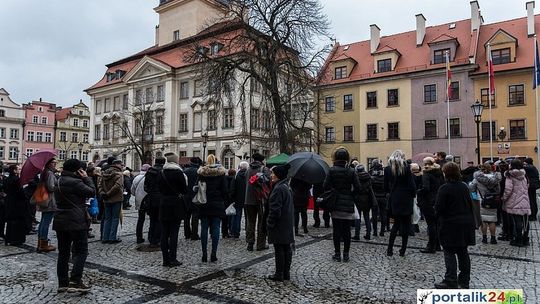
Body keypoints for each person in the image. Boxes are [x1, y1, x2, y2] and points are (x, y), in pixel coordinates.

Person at [53, 159, 96, 293]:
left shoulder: (58, 180)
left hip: (60, 220)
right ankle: (75, 281)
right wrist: (87, 178)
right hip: (76, 221)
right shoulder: (76, 182)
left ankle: (63, 282)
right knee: (81, 251)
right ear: (77, 170)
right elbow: (92, 192)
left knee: (63, 253)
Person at [434, 162, 476, 289]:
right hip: (465, 223)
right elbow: (470, 204)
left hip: (450, 224)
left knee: (449, 252)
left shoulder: (444, 188)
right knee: (463, 252)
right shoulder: (464, 186)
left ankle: (450, 279)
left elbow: (439, 208)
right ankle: (464, 280)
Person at [323, 147, 361, 262]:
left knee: (336, 230)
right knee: (347, 230)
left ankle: (337, 254)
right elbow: (358, 188)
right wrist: (351, 195)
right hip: (348, 203)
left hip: (335, 203)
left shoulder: (332, 170)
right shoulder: (351, 171)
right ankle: (346, 254)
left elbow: (325, 186)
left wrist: (333, 191)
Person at [157, 152, 188, 267]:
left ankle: (165, 259)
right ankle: (173, 258)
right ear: (175, 161)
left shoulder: (161, 172)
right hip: (176, 204)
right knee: (174, 233)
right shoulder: (178, 173)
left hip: (164, 204)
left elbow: (159, 188)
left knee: (164, 233)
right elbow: (185, 190)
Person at [385, 150, 416, 257]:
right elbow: (411, 185)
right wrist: (413, 195)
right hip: (406, 198)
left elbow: (386, 186)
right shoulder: (406, 168)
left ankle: (389, 249)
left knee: (396, 224)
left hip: (395, 197)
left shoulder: (388, 169)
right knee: (406, 225)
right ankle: (402, 250)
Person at [197, 154, 228, 262]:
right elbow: (225, 190)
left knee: (204, 228)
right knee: (216, 229)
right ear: (215, 161)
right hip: (217, 204)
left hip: (204, 203)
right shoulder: (221, 174)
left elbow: (198, 188)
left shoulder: (202, 173)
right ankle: (213, 254)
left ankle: (204, 254)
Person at [266, 164, 294, 282]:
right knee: (286, 248)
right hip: (286, 222)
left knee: (279, 249)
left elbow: (275, 209)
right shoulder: (286, 186)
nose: (271, 175)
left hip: (280, 223)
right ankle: (285, 273)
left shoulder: (278, 188)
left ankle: (279, 273)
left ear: (278, 175)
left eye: (273, 173)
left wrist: (270, 222)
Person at [469, 162, 502, 244]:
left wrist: (475, 196)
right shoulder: (495, 178)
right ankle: (493, 238)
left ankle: (484, 238)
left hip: (482, 200)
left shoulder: (477, 178)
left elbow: (471, 188)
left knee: (483, 220)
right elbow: (498, 190)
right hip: (493, 201)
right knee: (492, 220)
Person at [502, 159, 531, 247]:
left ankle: (518, 240)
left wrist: (504, 198)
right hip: (524, 199)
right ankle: (525, 239)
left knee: (517, 221)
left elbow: (508, 189)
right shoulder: (524, 174)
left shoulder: (510, 175)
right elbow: (527, 186)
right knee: (525, 221)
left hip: (514, 200)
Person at [244, 152, 271, 251]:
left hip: (248, 199)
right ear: (261, 160)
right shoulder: (264, 169)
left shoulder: (248, 169)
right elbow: (269, 182)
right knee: (261, 222)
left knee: (250, 222)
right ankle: (260, 244)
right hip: (260, 199)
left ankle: (250, 243)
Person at [417, 157, 444, 253]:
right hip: (438, 200)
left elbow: (425, 188)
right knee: (436, 224)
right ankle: (437, 245)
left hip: (428, 201)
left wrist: (418, 192)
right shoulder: (439, 173)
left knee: (431, 224)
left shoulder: (426, 173)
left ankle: (431, 246)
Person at [4, 165, 31, 245]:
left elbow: (5, 190)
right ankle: (16, 239)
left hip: (9, 201)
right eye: (18, 169)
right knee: (18, 222)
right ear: (14, 170)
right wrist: (25, 195)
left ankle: (8, 238)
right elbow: (20, 192)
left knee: (10, 221)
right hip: (18, 203)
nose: (19, 170)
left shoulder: (7, 179)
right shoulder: (16, 180)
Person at [99, 159, 124, 243]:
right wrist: (109, 193)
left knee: (107, 218)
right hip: (116, 199)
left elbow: (99, 185)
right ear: (117, 165)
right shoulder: (119, 174)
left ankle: (105, 237)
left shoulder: (104, 173)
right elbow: (117, 186)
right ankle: (112, 237)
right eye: (121, 165)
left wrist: (103, 193)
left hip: (106, 199)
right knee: (115, 218)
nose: (122, 166)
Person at [143, 157, 166, 250]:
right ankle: (157, 239)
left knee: (152, 220)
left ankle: (151, 238)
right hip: (160, 199)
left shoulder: (149, 172)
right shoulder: (163, 172)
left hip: (151, 199)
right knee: (159, 220)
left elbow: (146, 187)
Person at [36, 158, 58, 252]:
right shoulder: (49, 173)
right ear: (49, 164)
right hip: (49, 201)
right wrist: (58, 186)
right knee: (46, 222)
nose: (55, 164)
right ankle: (44, 244)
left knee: (43, 221)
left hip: (44, 200)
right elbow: (50, 187)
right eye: (53, 162)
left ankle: (40, 242)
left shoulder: (44, 172)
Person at [352, 164, 376, 240]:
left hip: (358, 199)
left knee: (357, 218)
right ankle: (368, 234)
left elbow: (354, 189)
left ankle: (357, 235)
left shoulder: (355, 177)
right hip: (367, 199)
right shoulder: (368, 177)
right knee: (367, 217)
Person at [183, 157, 202, 240]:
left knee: (186, 216)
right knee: (195, 216)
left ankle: (187, 233)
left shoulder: (185, 171)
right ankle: (194, 234)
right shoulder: (199, 172)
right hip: (196, 195)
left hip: (186, 196)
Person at [132, 164, 151, 244]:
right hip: (149, 201)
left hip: (139, 201)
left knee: (140, 219)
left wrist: (137, 195)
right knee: (152, 219)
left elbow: (132, 190)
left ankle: (139, 237)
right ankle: (151, 236)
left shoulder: (136, 178)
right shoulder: (150, 177)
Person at [230, 161, 248, 238]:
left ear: (240, 168)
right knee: (249, 217)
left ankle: (236, 232)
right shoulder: (249, 176)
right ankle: (249, 232)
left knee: (237, 217)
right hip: (248, 199)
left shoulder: (236, 176)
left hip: (238, 199)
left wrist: (233, 198)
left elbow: (232, 189)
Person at [370, 159, 388, 236]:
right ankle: (382, 231)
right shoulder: (385, 176)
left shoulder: (372, 176)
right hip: (383, 197)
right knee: (383, 214)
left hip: (375, 197)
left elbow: (370, 187)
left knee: (374, 215)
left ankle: (375, 232)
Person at [223, 168, 236, 238]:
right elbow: (232, 190)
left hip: (224, 200)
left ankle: (224, 232)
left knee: (224, 217)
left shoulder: (224, 179)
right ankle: (230, 231)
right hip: (230, 201)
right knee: (231, 216)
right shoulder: (234, 179)